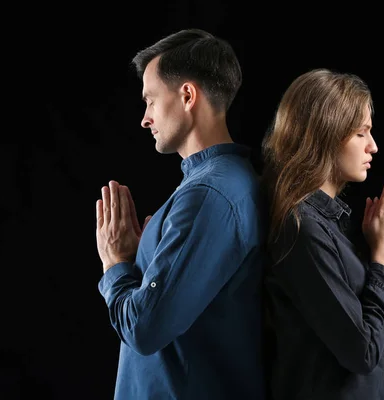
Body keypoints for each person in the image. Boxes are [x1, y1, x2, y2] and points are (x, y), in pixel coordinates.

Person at [94, 29, 267, 400]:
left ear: (187, 96)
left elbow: (144, 329)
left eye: (151, 101)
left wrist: (116, 264)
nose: (145, 118)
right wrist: (147, 259)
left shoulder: (209, 195)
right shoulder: (219, 185)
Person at [260, 68, 384, 400]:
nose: (373, 146)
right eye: (361, 133)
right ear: (325, 134)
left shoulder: (326, 225)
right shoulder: (301, 229)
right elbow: (362, 352)